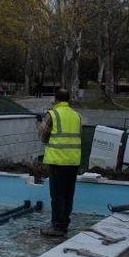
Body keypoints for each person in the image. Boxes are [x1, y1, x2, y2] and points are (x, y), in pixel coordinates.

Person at [38, 89, 82, 238]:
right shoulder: (77, 116)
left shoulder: (52, 114)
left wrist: (40, 124)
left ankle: (57, 227)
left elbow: (43, 137)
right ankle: (64, 225)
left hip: (58, 161)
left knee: (57, 196)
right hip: (73, 161)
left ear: (55, 99)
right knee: (68, 195)